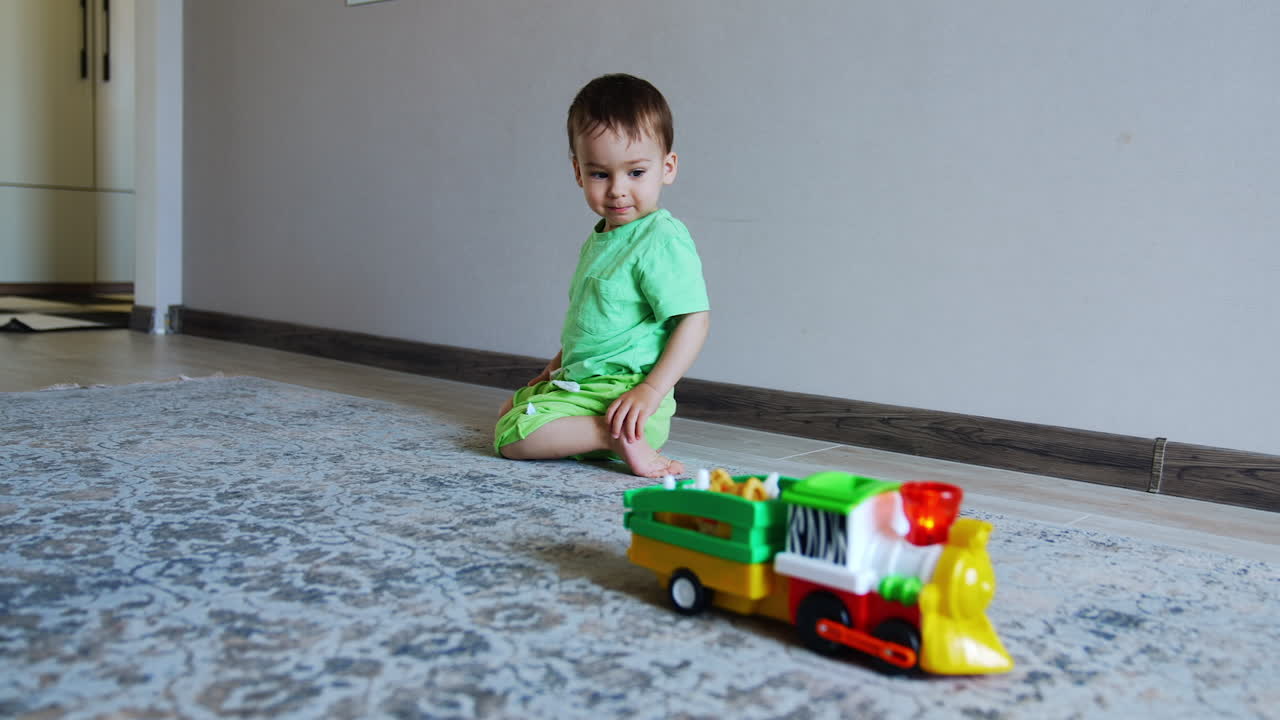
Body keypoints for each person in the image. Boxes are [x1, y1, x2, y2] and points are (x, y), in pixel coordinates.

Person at [493, 73, 710, 478]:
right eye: (599, 175)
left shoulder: (660, 238)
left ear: (667, 167)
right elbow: (592, 325)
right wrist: (554, 369)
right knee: (510, 409)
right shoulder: (603, 238)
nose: (617, 190)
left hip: (625, 399)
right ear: (578, 172)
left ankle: (614, 435)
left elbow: (693, 320)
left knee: (513, 439)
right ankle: (593, 434)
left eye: (636, 173)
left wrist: (650, 391)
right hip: (585, 384)